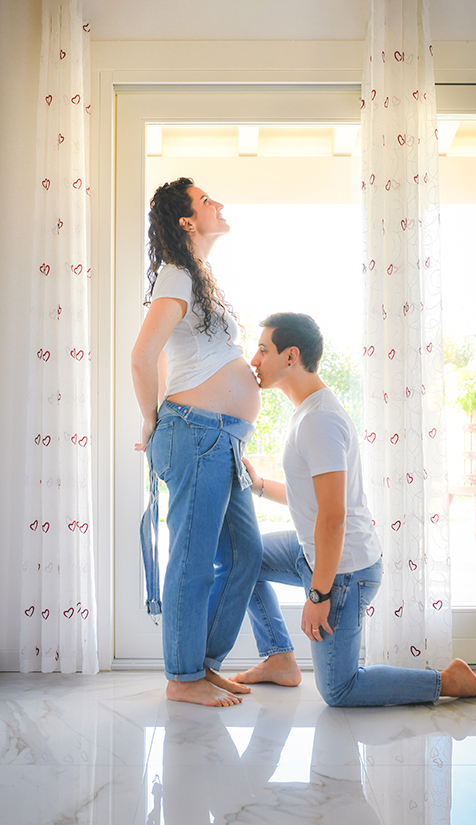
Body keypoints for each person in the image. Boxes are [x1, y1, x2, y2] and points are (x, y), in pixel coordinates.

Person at [230, 312, 476, 706]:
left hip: (344, 571)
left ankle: (445, 681)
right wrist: (258, 486)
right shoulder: (307, 411)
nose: (253, 360)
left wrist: (319, 594)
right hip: (316, 553)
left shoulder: (318, 420)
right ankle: (279, 659)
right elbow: (314, 499)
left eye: (262, 349)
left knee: (339, 690)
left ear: (291, 356)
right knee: (244, 557)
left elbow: (334, 516)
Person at [132, 177, 263, 707]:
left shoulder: (196, 277)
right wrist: (151, 420)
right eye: (208, 199)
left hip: (220, 438)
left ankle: (200, 664)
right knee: (193, 558)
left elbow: (169, 358)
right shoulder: (177, 274)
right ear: (187, 220)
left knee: (244, 554)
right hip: (196, 432)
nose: (219, 202)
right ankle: (182, 678)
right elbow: (142, 356)